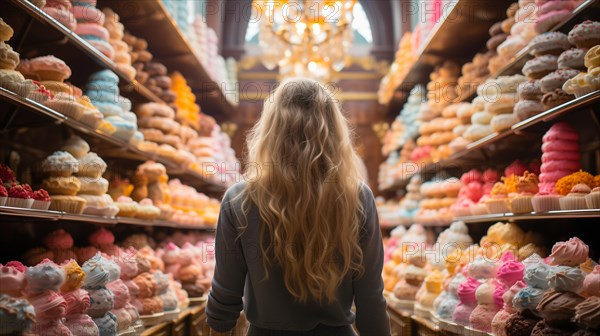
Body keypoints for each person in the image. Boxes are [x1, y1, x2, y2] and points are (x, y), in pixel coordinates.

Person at [206, 78, 391, 336]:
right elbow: (371, 298)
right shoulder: (357, 197)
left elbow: (224, 299)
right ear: (333, 130)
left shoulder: (239, 198)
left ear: (270, 129)